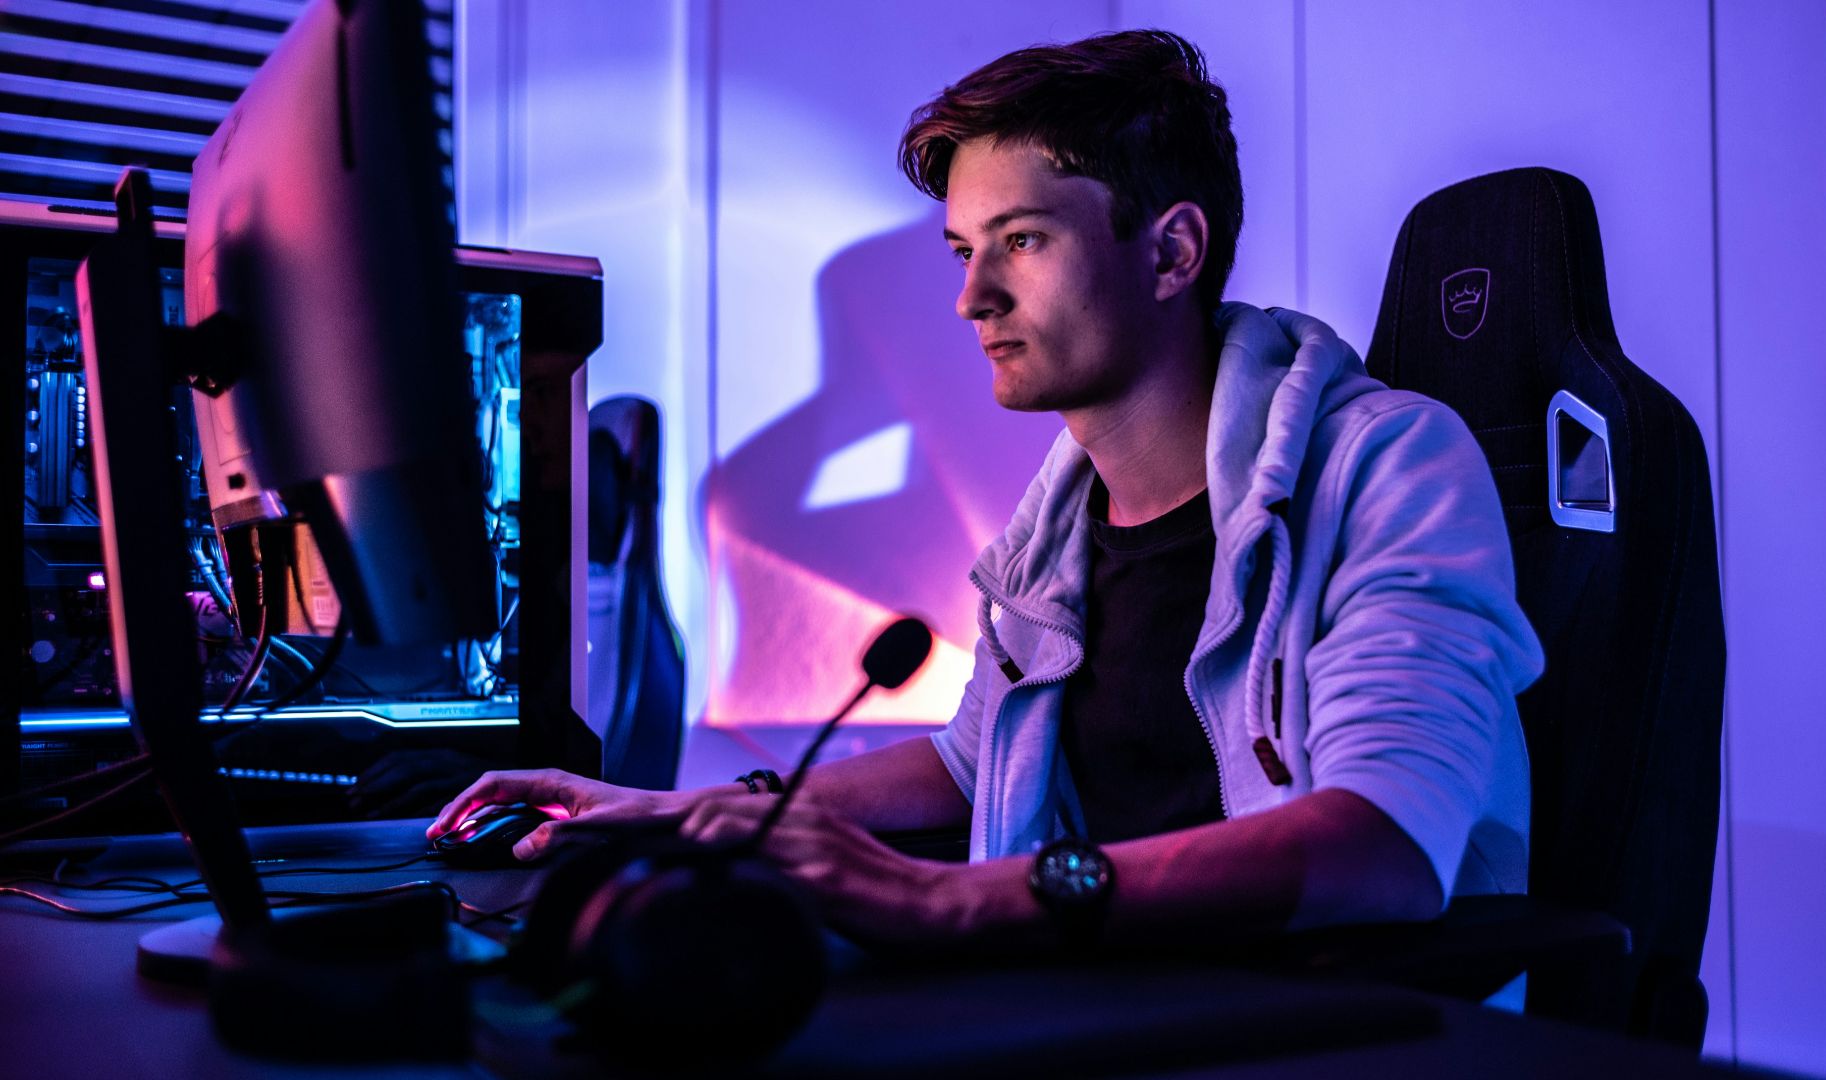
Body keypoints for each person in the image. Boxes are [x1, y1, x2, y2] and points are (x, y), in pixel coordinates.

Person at [427, 29, 1543, 953]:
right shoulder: (1052, 532)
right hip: (1110, 1000)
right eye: (964, 248)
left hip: (1326, 1029)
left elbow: (1381, 843)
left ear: (1170, 255)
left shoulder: (1385, 467)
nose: (972, 298)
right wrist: (683, 818)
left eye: (1020, 241)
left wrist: (942, 898)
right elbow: (974, 762)